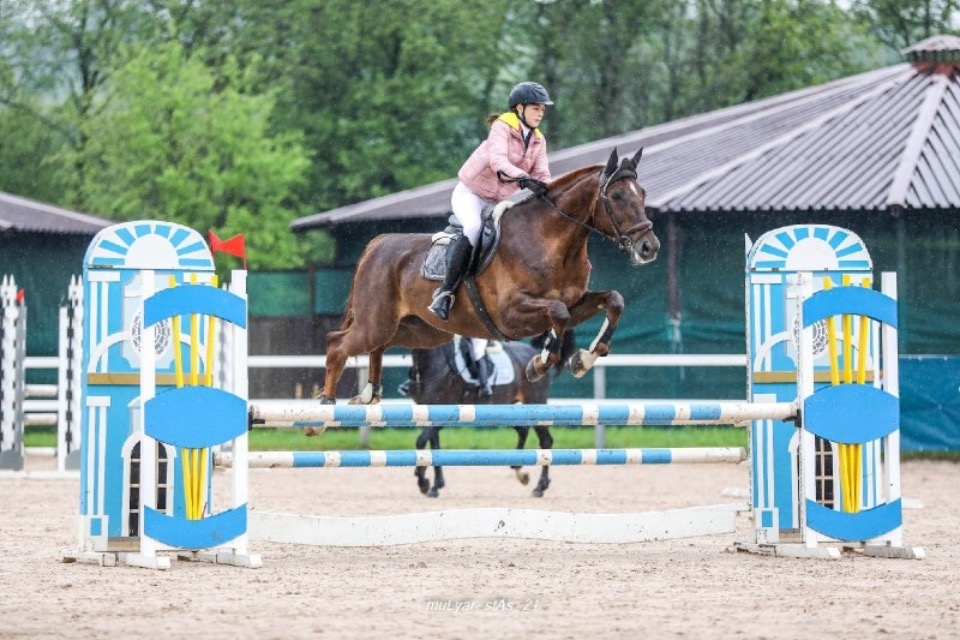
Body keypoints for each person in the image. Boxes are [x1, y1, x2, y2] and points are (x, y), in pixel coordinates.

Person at [427, 81, 554, 395]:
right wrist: (525, 179)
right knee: (471, 230)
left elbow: (545, 175)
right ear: (520, 108)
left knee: (515, 239)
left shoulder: (538, 141)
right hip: (471, 194)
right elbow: (498, 162)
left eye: (542, 109)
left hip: (499, 201)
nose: (540, 113)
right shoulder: (502, 128)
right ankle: (445, 293)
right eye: (536, 107)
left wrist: (549, 192)